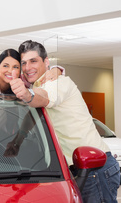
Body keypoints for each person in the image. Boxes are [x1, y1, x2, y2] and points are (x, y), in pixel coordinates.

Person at [8, 40, 120, 203]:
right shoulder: (39, 84)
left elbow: (43, 98)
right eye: (24, 63)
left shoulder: (57, 82)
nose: (27, 67)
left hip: (95, 169)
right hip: (72, 170)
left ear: (46, 62)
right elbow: (32, 115)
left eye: (33, 61)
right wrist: (17, 141)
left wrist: (27, 95)